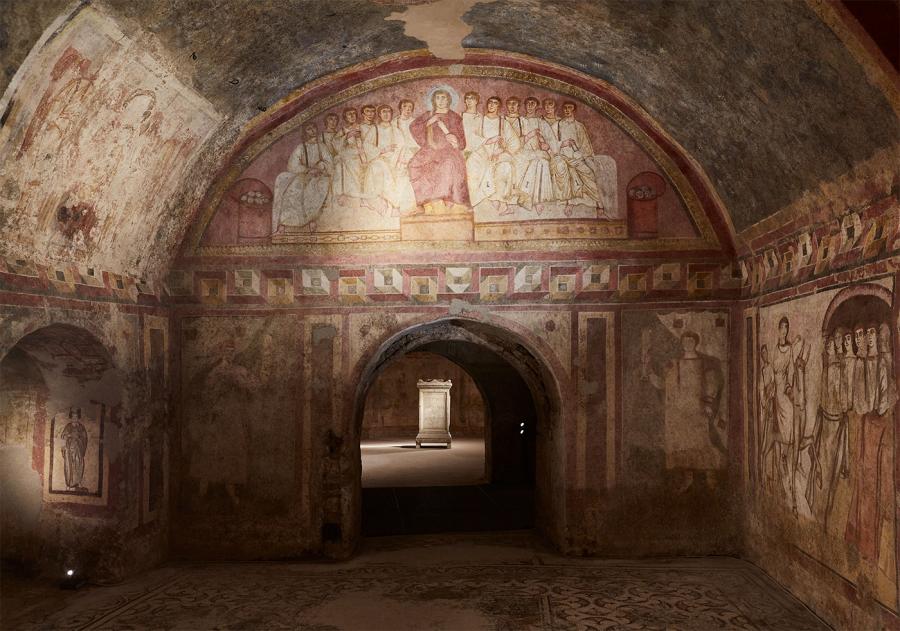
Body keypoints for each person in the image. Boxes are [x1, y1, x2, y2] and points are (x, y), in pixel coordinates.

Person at [643, 330, 727, 488]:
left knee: (702, 442)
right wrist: (649, 371)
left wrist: (708, 404)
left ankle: (711, 477)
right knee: (684, 444)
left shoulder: (706, 363)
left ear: (696, 342)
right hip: (681, 412)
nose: (688, 343)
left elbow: (712, 383)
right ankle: (688, 478)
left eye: (691, 340)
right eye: (685, 341)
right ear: (682, 343)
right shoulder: (675, 363)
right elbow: (664, 385)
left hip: (698, 410)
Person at [846, 322, 896, 562]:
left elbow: (885, 402)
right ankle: (859, 542)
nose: (867, 339)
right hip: (865, 427)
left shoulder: (883, 365)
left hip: (878, 430)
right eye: (862, 335)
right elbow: (857, 400)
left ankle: (871, 548)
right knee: (862, 485)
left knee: (874, 487)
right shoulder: (861, 364)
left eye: (871, 334)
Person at [805, 330, 849, 529]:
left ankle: (825, 517)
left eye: (836, 344)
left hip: (837, 427)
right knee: (820, 472)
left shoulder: (842, 368)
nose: (833, 347)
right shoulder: (827, 371)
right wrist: (815, 432)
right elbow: (823, 403)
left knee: (832, 475)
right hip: (826, 427)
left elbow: (844, 401)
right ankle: (818, 514)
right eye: (830, 345)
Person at [407, 88, 470, 213]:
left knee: (447, 164)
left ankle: (448, 199)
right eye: (438, 98)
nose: (441, 101)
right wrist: (429, 122)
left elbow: (462, 142)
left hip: (448, 151)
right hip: (429, 150)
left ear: (449, 100)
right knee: (413, 165)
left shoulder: (455, 117)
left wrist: (454, 140)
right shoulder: (428, 115)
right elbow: (414, 127)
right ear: (433, 100)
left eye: (444, 98)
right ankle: (423, 203)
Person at [271, 121, 332, 232]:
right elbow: (292, 165)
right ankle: (285, 223)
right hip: (304, 175)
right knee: (293, 191)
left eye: (313, 128)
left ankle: (312, 221)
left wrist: (320, 167)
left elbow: (329, 162)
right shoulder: (301, 147)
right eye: (309, 129)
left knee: (316, 189)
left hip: (320, 176)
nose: (312, 131)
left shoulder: (322, 146)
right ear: (305, 132)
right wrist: (307, 170)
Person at [466, 96, 519, 213]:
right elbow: (471, 137)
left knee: (506, 167)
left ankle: (501, 202)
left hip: (498, 154)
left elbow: (515, 143)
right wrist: (487, 141)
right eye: (490, 102)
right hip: (482, 152)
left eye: (495, 103)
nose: (491, 105)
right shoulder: (480, 120)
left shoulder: (503, 123)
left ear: (498, 106)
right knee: (472, 164)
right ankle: (478, 201)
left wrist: (501, 151)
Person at [516, 96, 554, 213]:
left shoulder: (541, 122)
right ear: (525, 106)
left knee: (541, 162)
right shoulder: (520, 121)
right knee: (538, 161)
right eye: (528, 103)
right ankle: (531, 199)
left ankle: (535, 200)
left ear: (536, 106)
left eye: (533, 103)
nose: (530, 105)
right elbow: (514, 142)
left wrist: (547, 145)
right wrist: (529, 135)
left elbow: (551, 140)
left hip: (539, 153)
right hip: (524, 153)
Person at [332, 108, 366, 205]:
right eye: (349, 114)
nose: (352, 116)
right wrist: (347, 136)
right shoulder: (343, 130)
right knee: (346, 164)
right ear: (345, 118)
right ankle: (350, 196)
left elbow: (368, 140)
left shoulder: (361, 127)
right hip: (349, 157)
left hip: (363, 155)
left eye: (353, 114)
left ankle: (360, 197)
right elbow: (335, 144)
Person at [60, 407, 88, 491]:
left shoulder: (81, 427)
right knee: (69, 466)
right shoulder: (68, 426)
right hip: (69, 450)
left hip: (78, 449)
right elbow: (63, 436)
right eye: (73, 416)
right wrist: (69, 436)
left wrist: (79, 438)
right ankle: (69, 484)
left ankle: (78, 482)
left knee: (79, 465)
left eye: (76, 416)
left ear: (78, 417)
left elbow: (85, 438)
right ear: (71, 417)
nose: (74, 418)